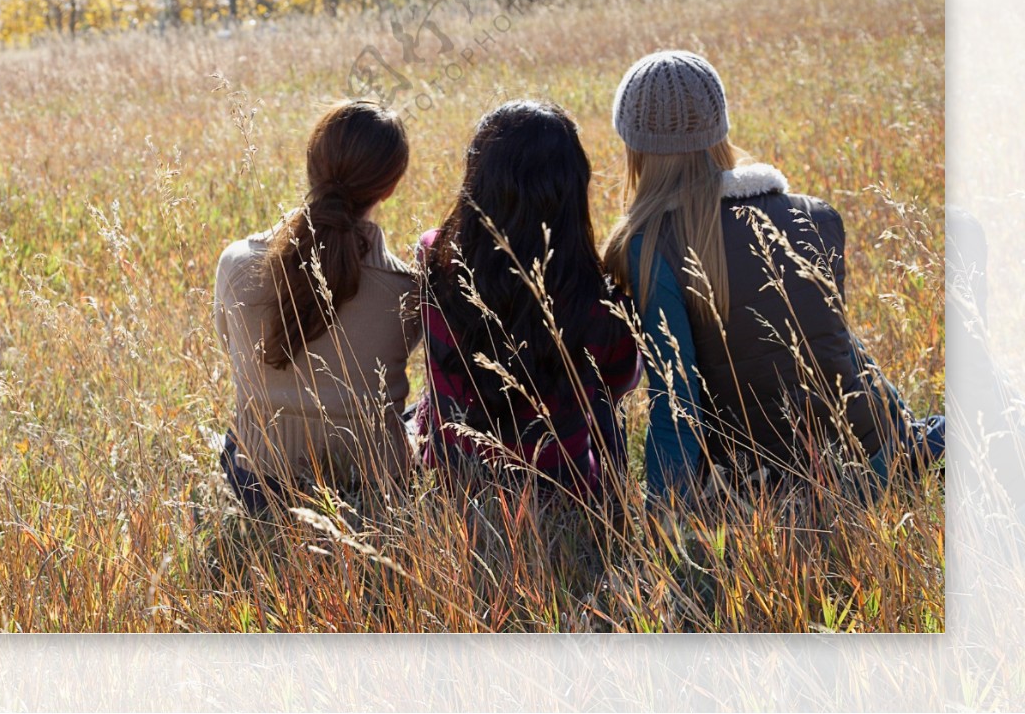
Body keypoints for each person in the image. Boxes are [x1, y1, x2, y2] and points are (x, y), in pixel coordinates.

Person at [599, 49, 944, 507]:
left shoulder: (649, 248)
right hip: (880, 456)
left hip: (767, 490)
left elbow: (676, 407)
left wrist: (663, 521)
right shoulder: (815, 215)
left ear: (634, 145)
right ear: (719, 128)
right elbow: (839, 348)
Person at [412, 100, 643, 501]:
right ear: (572, 190)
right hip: (560, 488)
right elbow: (620, 382)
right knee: (604, 406)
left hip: (454, 474)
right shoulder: (597, 300)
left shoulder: (435, 256)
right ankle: (615, 510)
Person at [213, 99, 421, 515]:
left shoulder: (236, 263)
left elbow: (230, 348)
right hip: (374, 487)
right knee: (422, 412)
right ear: (390, 186)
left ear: (310, 164)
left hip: (260, 482)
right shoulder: (408, 291)